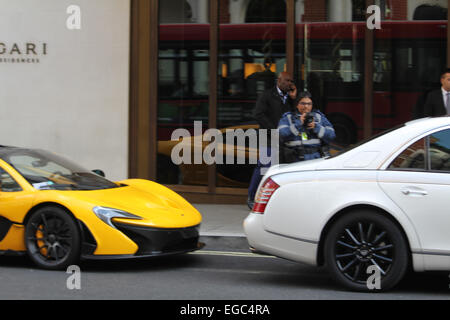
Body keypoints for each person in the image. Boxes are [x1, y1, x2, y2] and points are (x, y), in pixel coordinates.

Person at [247, 72, 297, 209]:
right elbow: (258, 114)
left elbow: (294, 115)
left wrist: (294, 99)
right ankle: (252, 196)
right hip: (268, 136)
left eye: (291, 81)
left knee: (281, 168)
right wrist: (273, 130)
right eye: (287, 80)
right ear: (279, 80)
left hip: (283, 138)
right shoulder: (267, 95)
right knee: (264, 167)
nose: (289, 83)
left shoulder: (289, 98)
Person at [278, 91, 336, 163]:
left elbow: (331, 135)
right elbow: (281, 134)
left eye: (309, 104)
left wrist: (316, 127)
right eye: (303, 103)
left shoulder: (318, 117)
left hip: (315, 158)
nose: (306, 106)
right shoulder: (288, 117)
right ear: (297, 105)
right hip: (294, 159)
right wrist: (298, 123)